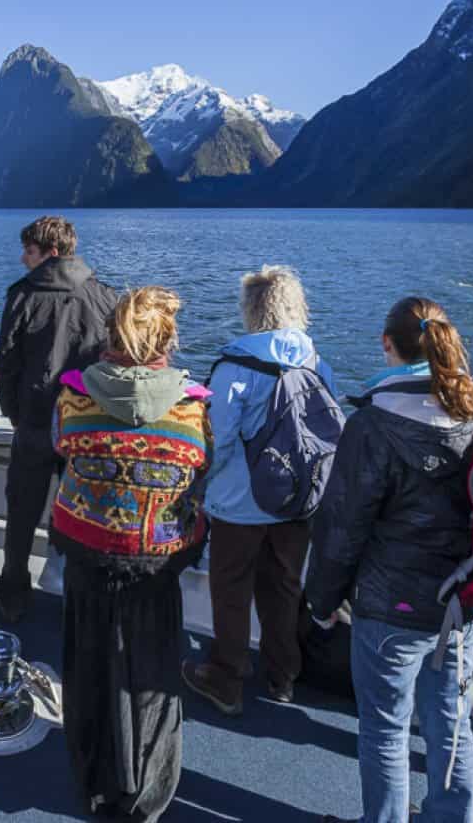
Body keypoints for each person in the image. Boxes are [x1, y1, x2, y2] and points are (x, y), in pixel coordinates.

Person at [307, 297, 473, 823]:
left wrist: (323, 601)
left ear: (387, 344)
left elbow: (341, 527)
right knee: (451, 719)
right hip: (462, 602)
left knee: (386, 727)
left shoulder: (373, 424)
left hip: (391, 605)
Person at [49, 286, 213, 822]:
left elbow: (60, 450)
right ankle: (149, 789)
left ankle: (93, 774)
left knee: (88, 663)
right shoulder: (193, 406)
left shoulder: (72, 395)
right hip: (158, 559)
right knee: (153, 675)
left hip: (86, 549)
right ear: (166, 340)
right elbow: (203, 472)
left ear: (111, 335)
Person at [182, 264, 337, 713]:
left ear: (250, 309)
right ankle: (282, 675)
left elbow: (219, 439)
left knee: (231, 589)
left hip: (238, 505)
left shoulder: (236, 366)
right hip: (296, 505)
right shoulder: (316, 362)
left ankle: (227, 676)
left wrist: (199, 490)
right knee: (284, 587)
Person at [0, 215, 119, 622]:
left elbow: (5, 365)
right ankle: (74, 592)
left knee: (22, 509)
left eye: (29, 251)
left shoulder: (22, 297)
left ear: (53, 253)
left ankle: (13, 592)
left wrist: (15, 413)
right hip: (84, 425)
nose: (23, 259)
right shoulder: (106, 297)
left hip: (33, 421)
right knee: (80, 511)